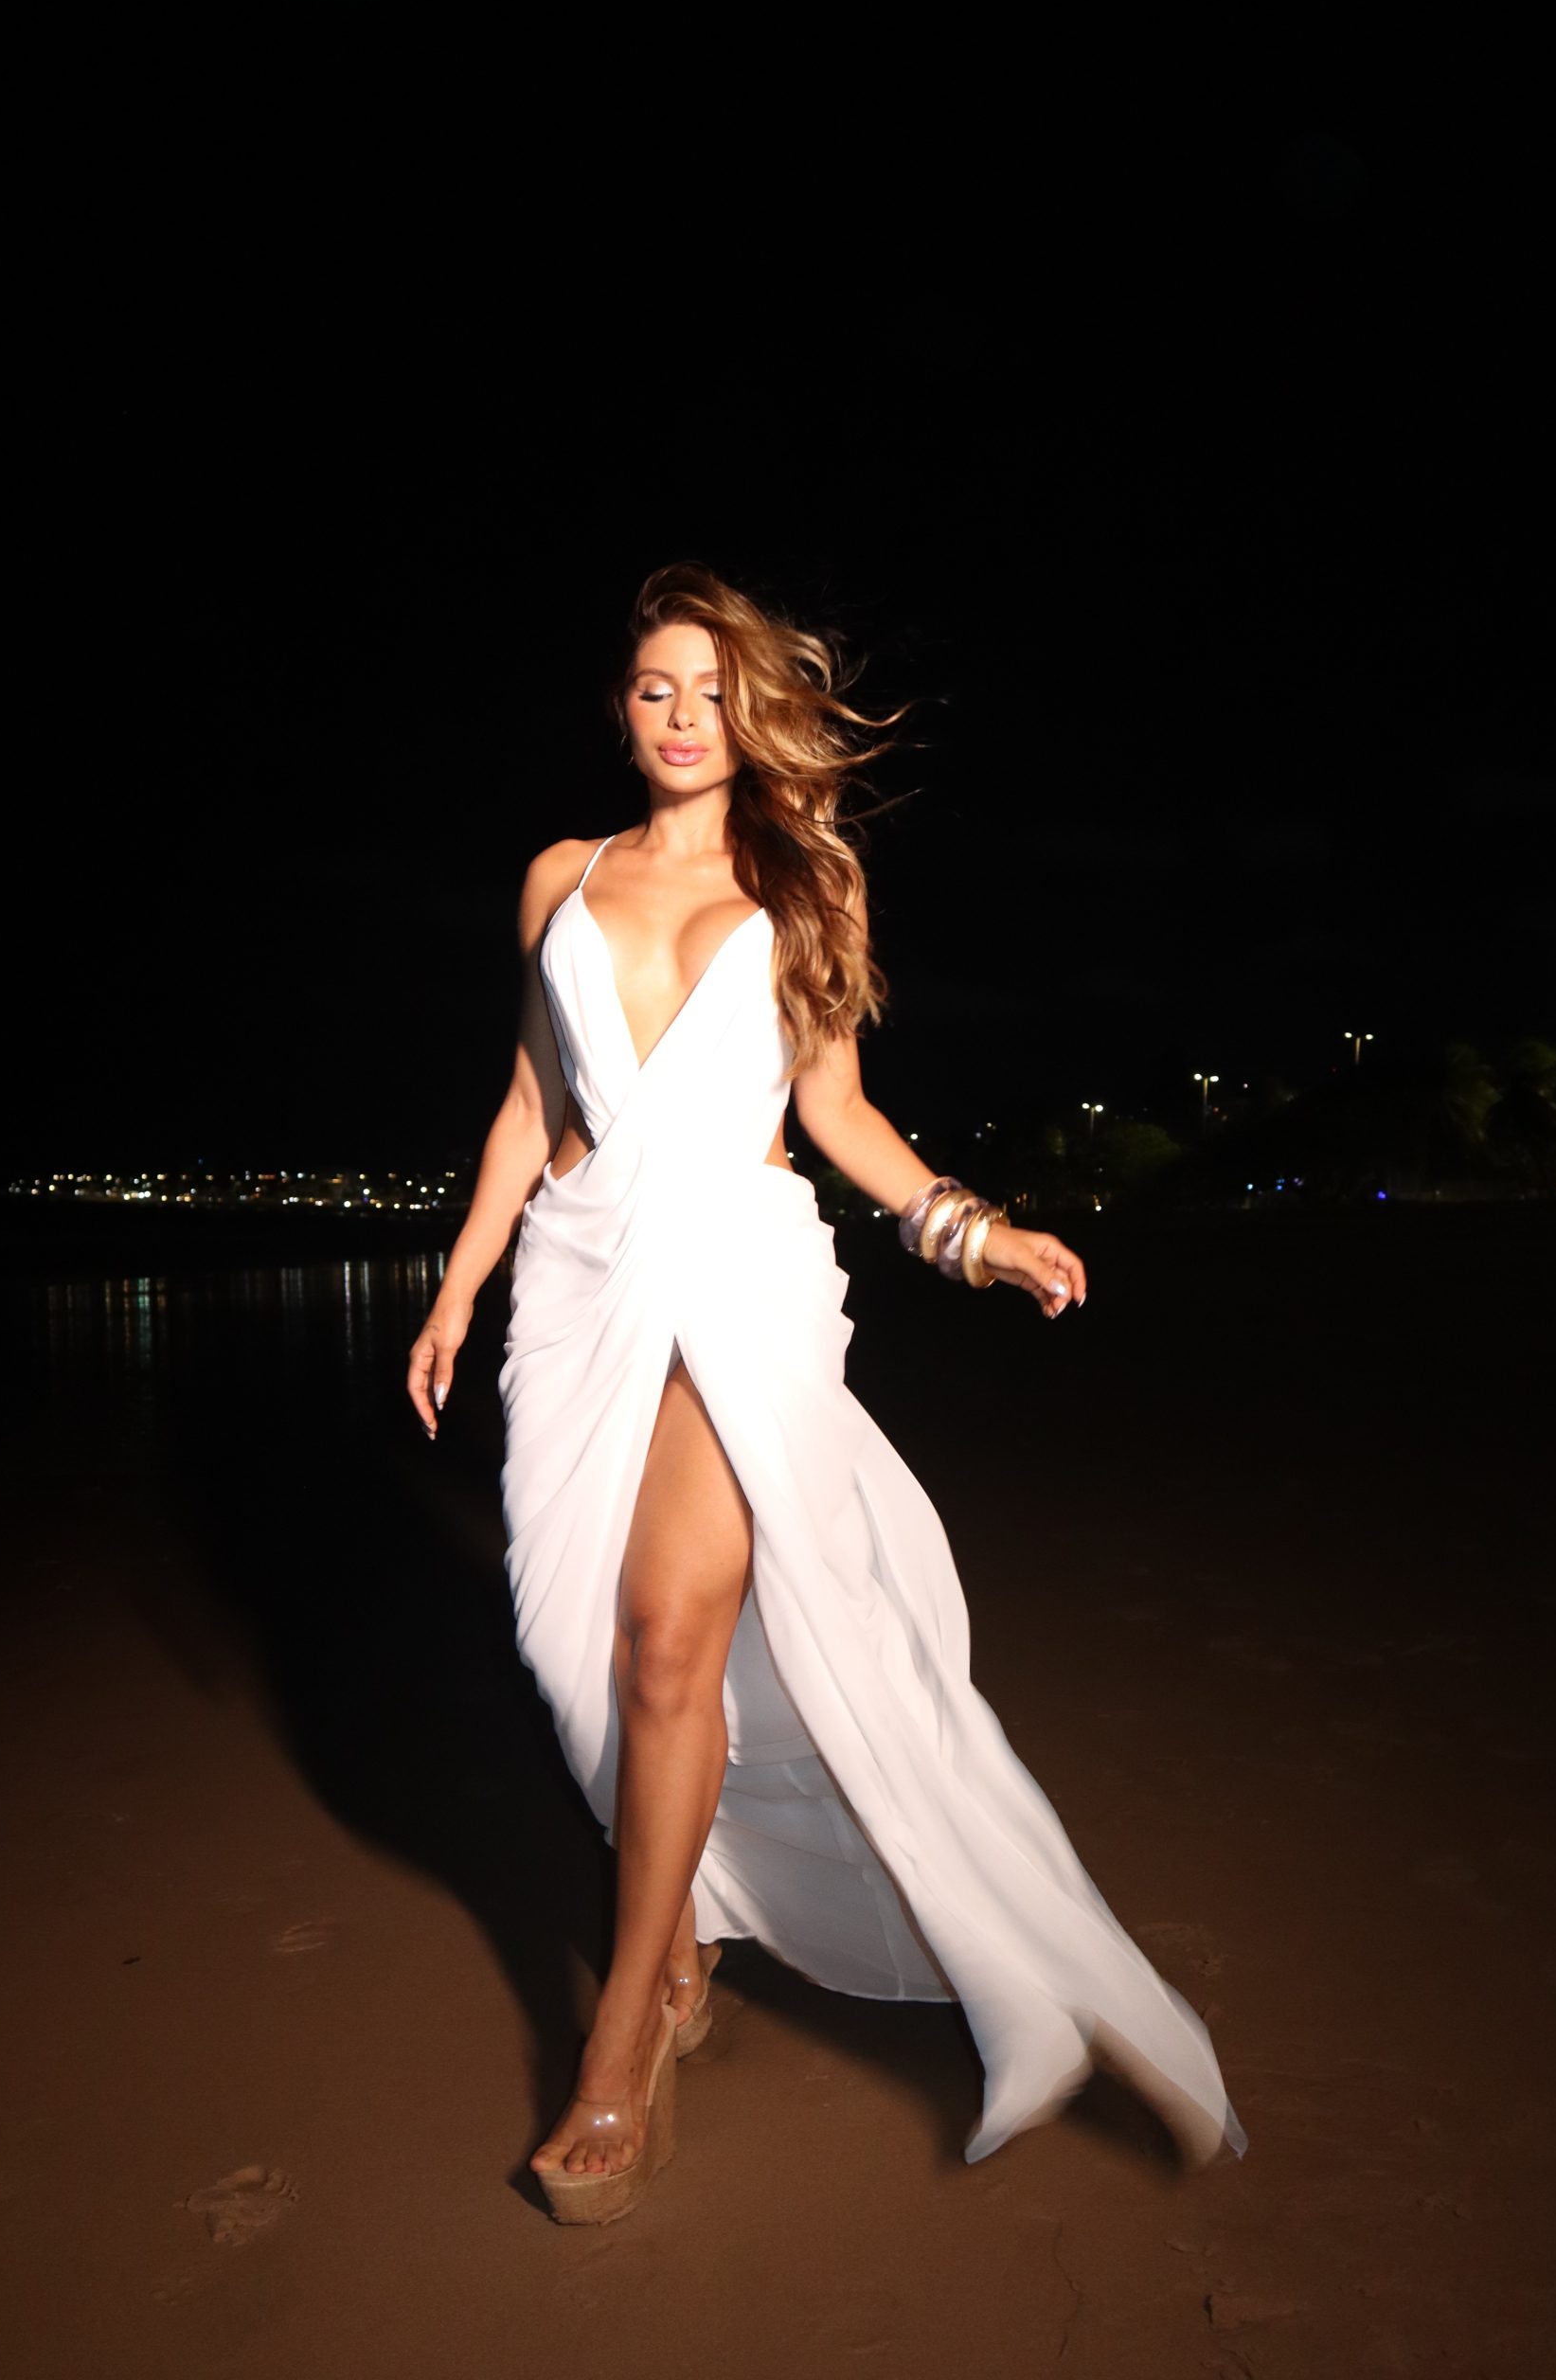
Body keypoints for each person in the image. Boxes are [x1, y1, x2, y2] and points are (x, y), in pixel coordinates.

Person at [407, 563, 1247, 2224]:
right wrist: (456, 1283)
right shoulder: (559, 878)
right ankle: (682, 1932)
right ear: (619, 706)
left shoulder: (812, 881)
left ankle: (621, 2043)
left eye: (713, 692)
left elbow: (838, 1111)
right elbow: (528, 1097)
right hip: (580, 1289)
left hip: (739, 1273)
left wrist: (971, 1231)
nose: (682, 717)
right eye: (655, 688)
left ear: (754, 714)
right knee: (578, 1656)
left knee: (667, 1641)